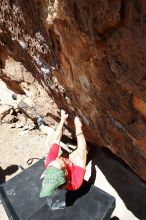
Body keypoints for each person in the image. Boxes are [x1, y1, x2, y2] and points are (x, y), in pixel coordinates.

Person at [38, 110, 87, 197]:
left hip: (65, 161)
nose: (56, 158)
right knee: (86, 150)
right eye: (57, 161)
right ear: (65, 172)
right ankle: (68, 147)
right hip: (72, 163)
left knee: (51, 133)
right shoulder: (75, 183)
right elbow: (82, 152)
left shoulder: (51, 162)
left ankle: (41, 127)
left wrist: (62, 119)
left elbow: (56, 139)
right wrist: (78, 128)